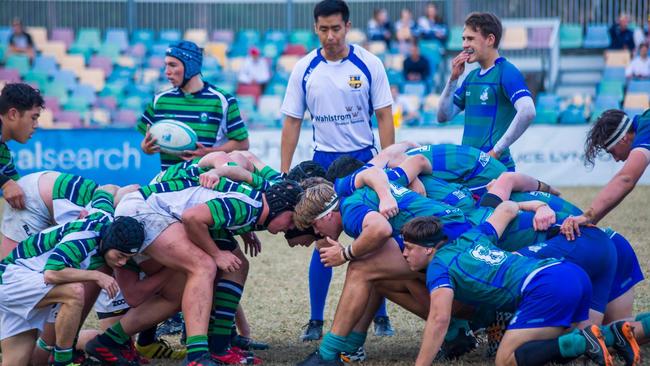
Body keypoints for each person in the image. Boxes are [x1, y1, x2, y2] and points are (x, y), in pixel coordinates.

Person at [400, 202, 641, 366]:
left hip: (545, 285)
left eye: (409, 248)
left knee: (505, 360)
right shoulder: (471, 236)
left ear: (429, 248)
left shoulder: (438, 267)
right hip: (570, 273)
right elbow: (506, 208)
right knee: (569, 338)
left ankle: (583, 341)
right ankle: (617, 333)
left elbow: (440, 319)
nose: (404, 253)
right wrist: (538, 207)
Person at [280, 0, 395, 341]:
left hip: (365, 163)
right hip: (324, 166)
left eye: (336, 28)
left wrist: (386, 161)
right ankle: (316, 321)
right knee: (323, 242)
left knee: (372, 241)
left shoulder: (369, 63)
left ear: (347, 26)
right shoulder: (304, 68)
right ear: (316, 28)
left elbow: (385, 116)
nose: (330, 36)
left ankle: (382, 317)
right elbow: (292, 122)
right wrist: (285, 174)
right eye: (323, 29)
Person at [0, 188, 144, 366]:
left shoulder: (105, 219)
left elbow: (104, 190)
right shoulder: (83, 238)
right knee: (75, 291)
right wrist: (97, 275)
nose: (122, 263)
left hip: (24, 285)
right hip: (13, 280)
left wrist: (126, 192)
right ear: (108, 242)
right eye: (120, 255)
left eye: (128, 258)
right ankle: (63, 361)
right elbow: (52, 273)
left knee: (25, 362)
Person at [437, 12, 536, 171]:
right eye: (463, 39)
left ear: (490, 39)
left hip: (494, 168)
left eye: (470, 39)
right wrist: (453, 79)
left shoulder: (507, 72)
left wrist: (496, 151)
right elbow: (443, 116)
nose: (464, 45)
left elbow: (528, 111)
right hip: (471, 167)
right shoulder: (471, 77)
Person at [137, 40, 250, 171]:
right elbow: (144, 144)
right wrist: (146, 147)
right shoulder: (160, 100)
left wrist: (209, 153)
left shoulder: (222, 100)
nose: (166, 72)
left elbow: (243, 144)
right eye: (166, 65)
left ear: (190, 66)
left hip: (206, 184)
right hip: (168, 183)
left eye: (173, 65)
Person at [561, 108, 650, 238]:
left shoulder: (647, 124)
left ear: (623, 139)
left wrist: (587, 216)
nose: (616, 158)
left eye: (612, 151)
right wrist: (592, 220)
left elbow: (626, 178)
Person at [0, 83, 43, 210]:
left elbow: (21, 189)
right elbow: (9, 184)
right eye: (33, 118)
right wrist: (5, 183)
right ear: (13, 114)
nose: (36, 125)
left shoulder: (4, 157)